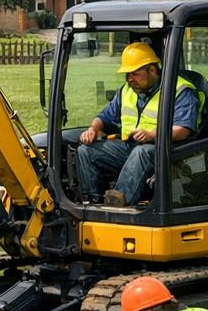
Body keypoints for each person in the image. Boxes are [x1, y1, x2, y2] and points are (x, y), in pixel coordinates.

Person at [77, 41, 198, 205]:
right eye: (127, 74)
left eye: (134, 73)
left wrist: (151, 135)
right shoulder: (126, 91)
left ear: (152, 70)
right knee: (86, 150)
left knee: (141, 152)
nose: (129, 79)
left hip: (168, 152)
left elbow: (183, 130)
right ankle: (92, 201)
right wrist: (93, 129)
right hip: (130, 147)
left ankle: (118, 202)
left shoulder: (180, 91)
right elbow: (104, 117)